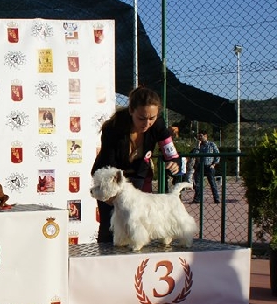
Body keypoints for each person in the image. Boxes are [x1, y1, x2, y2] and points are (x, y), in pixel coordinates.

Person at [91, 87, 180, 243]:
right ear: (131, 111)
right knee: (110, 224)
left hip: (138, 175)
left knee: (141, 222)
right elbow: (109, 165)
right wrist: (111, 193)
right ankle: (107, 251)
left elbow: (171, 152)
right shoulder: (113, 128)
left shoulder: (158, 125)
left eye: (152, 118)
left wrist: (174, 162)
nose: (147, 123)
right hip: (111, 179)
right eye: (142, 118)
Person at [192, 130, 221, 204]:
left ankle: (216, 198)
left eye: (201, 136)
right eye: (198, 136)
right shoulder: (198, 145)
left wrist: (214, 164)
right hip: (200, 166)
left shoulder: (211, 144)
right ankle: (197, 198)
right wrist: (198, 146)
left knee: (212, 182)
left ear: (205, 136)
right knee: (197, 183)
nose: (199, 138)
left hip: (209, 166)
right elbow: (195, 155)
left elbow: (217, 154)